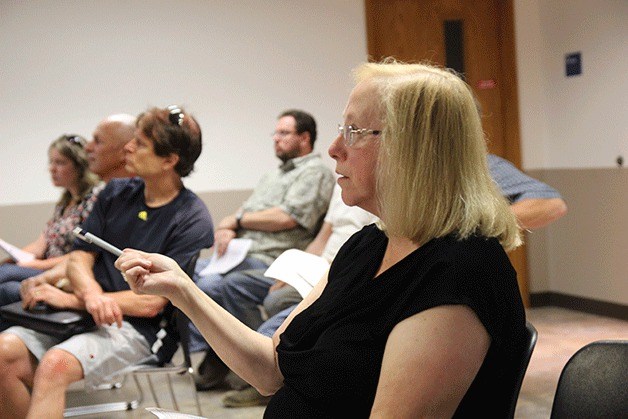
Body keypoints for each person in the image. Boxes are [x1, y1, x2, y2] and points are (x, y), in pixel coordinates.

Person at [115, 61, 529, 417]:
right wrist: (182, 289)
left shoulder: (459, 274)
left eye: (353, 131)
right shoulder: (367, 246)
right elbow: (269, 370)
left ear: (413, 148)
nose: (333, 149)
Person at [0, 105, 214, 418]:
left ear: (169, 160)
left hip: (143, 331)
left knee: (55, 365)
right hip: (91, 311)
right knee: (4, 354)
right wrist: (90, 298)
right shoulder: (115, 193)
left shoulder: (191, 218)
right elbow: (78, 258)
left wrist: (75, 300)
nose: (129, 146)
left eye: (140, 144)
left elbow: (151, 303)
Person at [191, 109, 335, 389]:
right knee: (191, 272)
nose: (276, 139)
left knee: (211, 284)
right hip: (242, 252)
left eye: (284, 133)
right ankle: (228, 358)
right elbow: (246, 210)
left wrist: (238, 220)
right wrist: (226, 227)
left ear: (304, 138)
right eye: (275, 133)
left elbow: (287, 217)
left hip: (273, 258)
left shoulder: (315, 172)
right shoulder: (272, 176)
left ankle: (249, 360)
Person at [221, 183, 379, 407]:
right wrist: (294, 267)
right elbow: (322, 239)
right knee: (236, 284)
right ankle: (258, 371)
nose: (334, 151)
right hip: (318, 264)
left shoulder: (372, 210)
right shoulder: (341, 186)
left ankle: (269, 380)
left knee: (274, 311)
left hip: (336, 270)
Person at [0, 115, 136, 325]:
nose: (52, 169)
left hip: (65, 274)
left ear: (79, 167)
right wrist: (19, 257)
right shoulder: (65, 202)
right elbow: (42, 243)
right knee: (5, 271)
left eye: (60, 163)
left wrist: (37, 267)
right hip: (55, 270)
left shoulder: (98, 197)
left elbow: (79, 256)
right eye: (51, 162)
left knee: (7, 283)